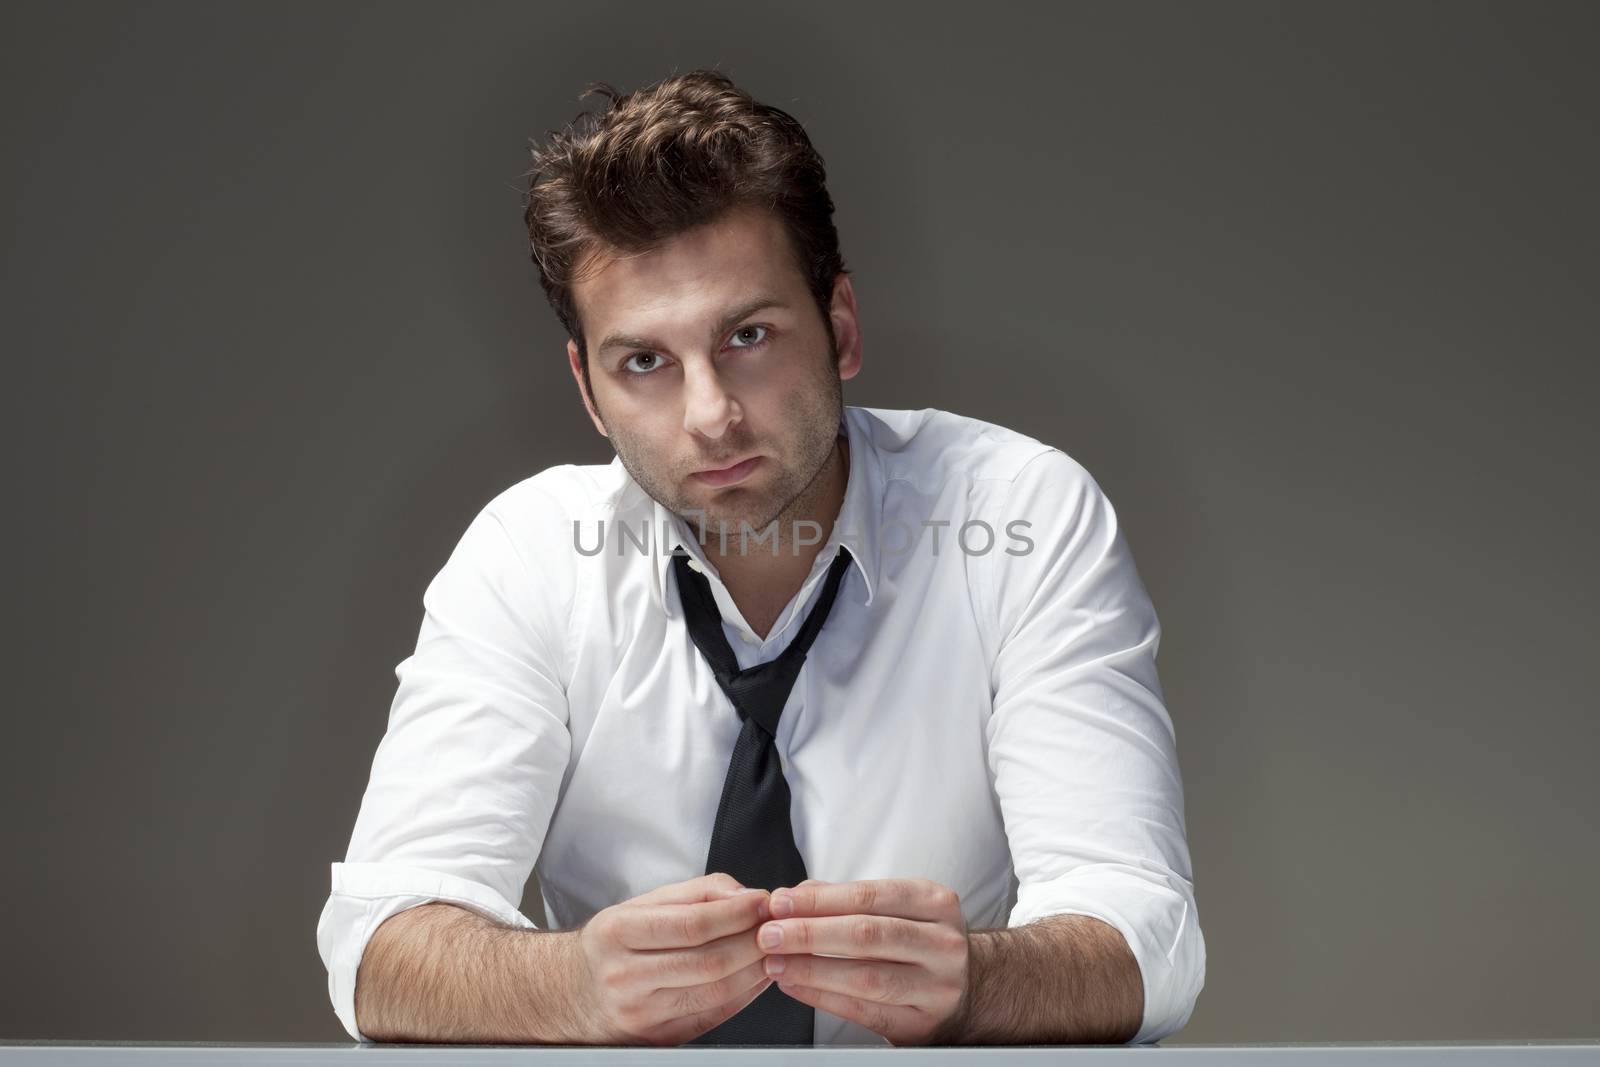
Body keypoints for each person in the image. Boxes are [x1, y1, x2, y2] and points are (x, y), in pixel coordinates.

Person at [315, 68, 1205, 1048]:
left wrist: (974, 982)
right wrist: (571, 986)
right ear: (587, 388)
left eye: (747, 335)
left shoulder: (1020, 513)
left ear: (840, 325)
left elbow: (1146, 937)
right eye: (644, 362)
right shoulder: (526, 554)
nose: (709, 415)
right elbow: (376, 950)